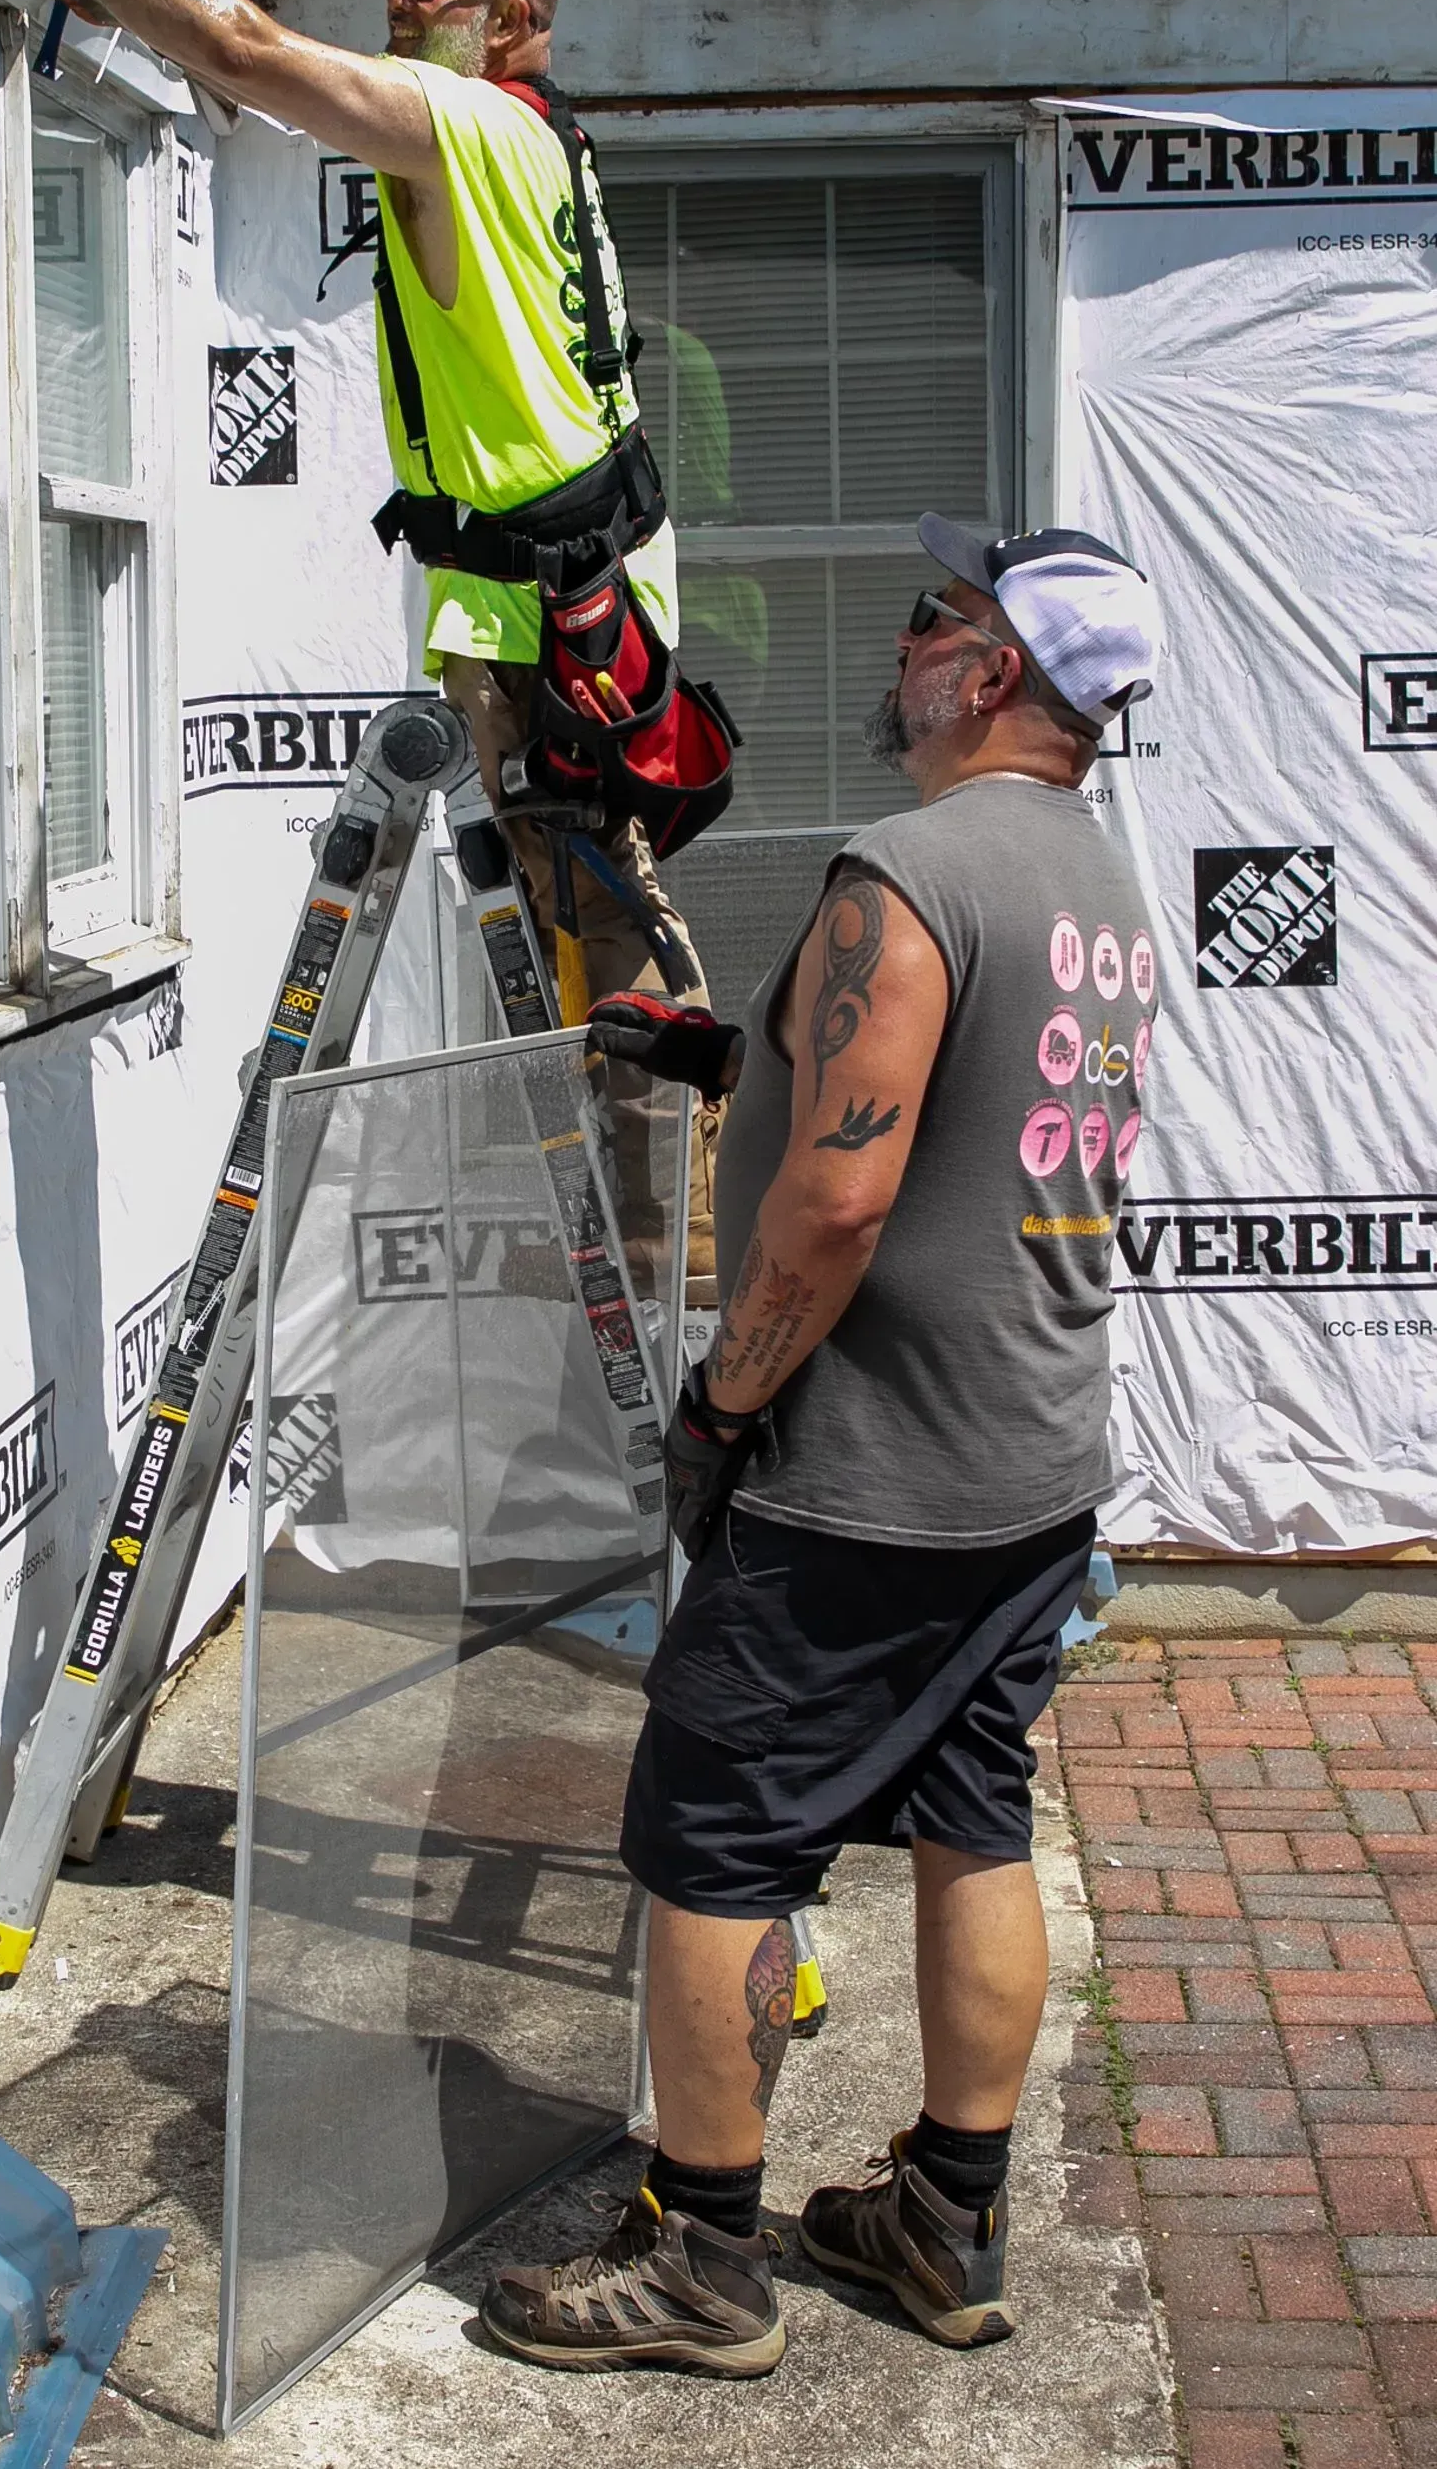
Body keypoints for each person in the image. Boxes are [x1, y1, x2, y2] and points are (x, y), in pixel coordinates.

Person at [486, 513, 1163, 2375]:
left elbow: (841, 1202)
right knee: (970, 1810)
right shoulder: (1094, 879)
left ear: (995, 672)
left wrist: (726, 1403)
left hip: (866, 1475)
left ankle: (702, 2255)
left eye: (939, 619)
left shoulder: (908, 867)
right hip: (1030, 1460)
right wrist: (740, 1054)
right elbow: (947, 1101)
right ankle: (951, 2216)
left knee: (709, 1834)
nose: (908, 639)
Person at [0, 0, 721, 1290]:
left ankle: (669, 1288)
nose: (395, 2)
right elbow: (240, 74)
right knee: (597, 929)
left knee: (615, 949)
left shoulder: (474, 124)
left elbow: (249, 53)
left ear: (513, 28)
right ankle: (650, 1261)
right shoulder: (532, 132)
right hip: (566, 601)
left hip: (539, 629)